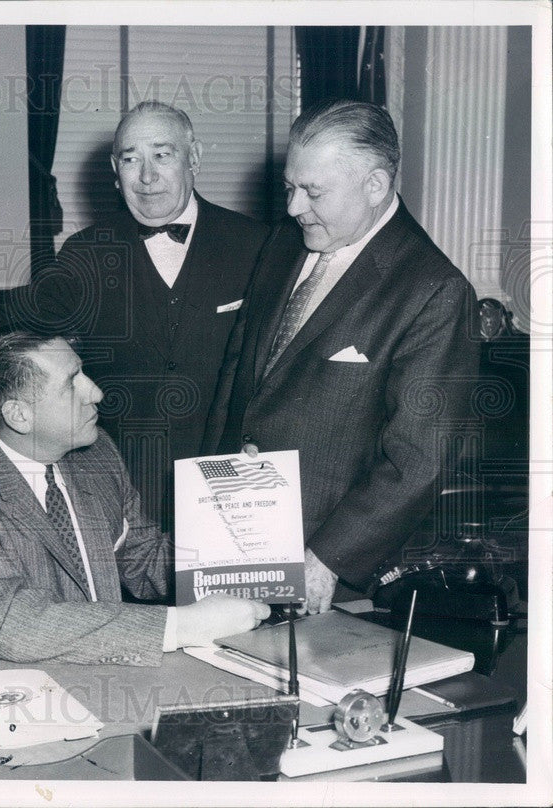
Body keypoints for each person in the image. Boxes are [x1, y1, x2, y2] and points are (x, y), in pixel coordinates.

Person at [0, 101, 269, 531]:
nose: (146, 177)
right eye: (131, 159)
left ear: (195, 158)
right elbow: (13, 312)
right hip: (125, 486)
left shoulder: (258, 245)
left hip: (232, 482)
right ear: (115, 171)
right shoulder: (89, 251)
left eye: (162, 155)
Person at [201, 99, 479, 615]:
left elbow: (419, 459)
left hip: (329, 574)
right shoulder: (285, 243)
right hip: (233, 542)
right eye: (290, 187)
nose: (292, 207)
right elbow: (237, 376)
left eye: (313, 191)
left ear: (375, 185)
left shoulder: (433, 291)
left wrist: (326, 561)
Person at [0, 332, 269, 666]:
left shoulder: (95, 454)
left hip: (109, 666)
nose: (95, 392)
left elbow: (144, 560)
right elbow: (12, 626)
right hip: (10, 688)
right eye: (72, 384)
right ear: (19, 415)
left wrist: (235, 514)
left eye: (84, 373)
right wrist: (186, 625)